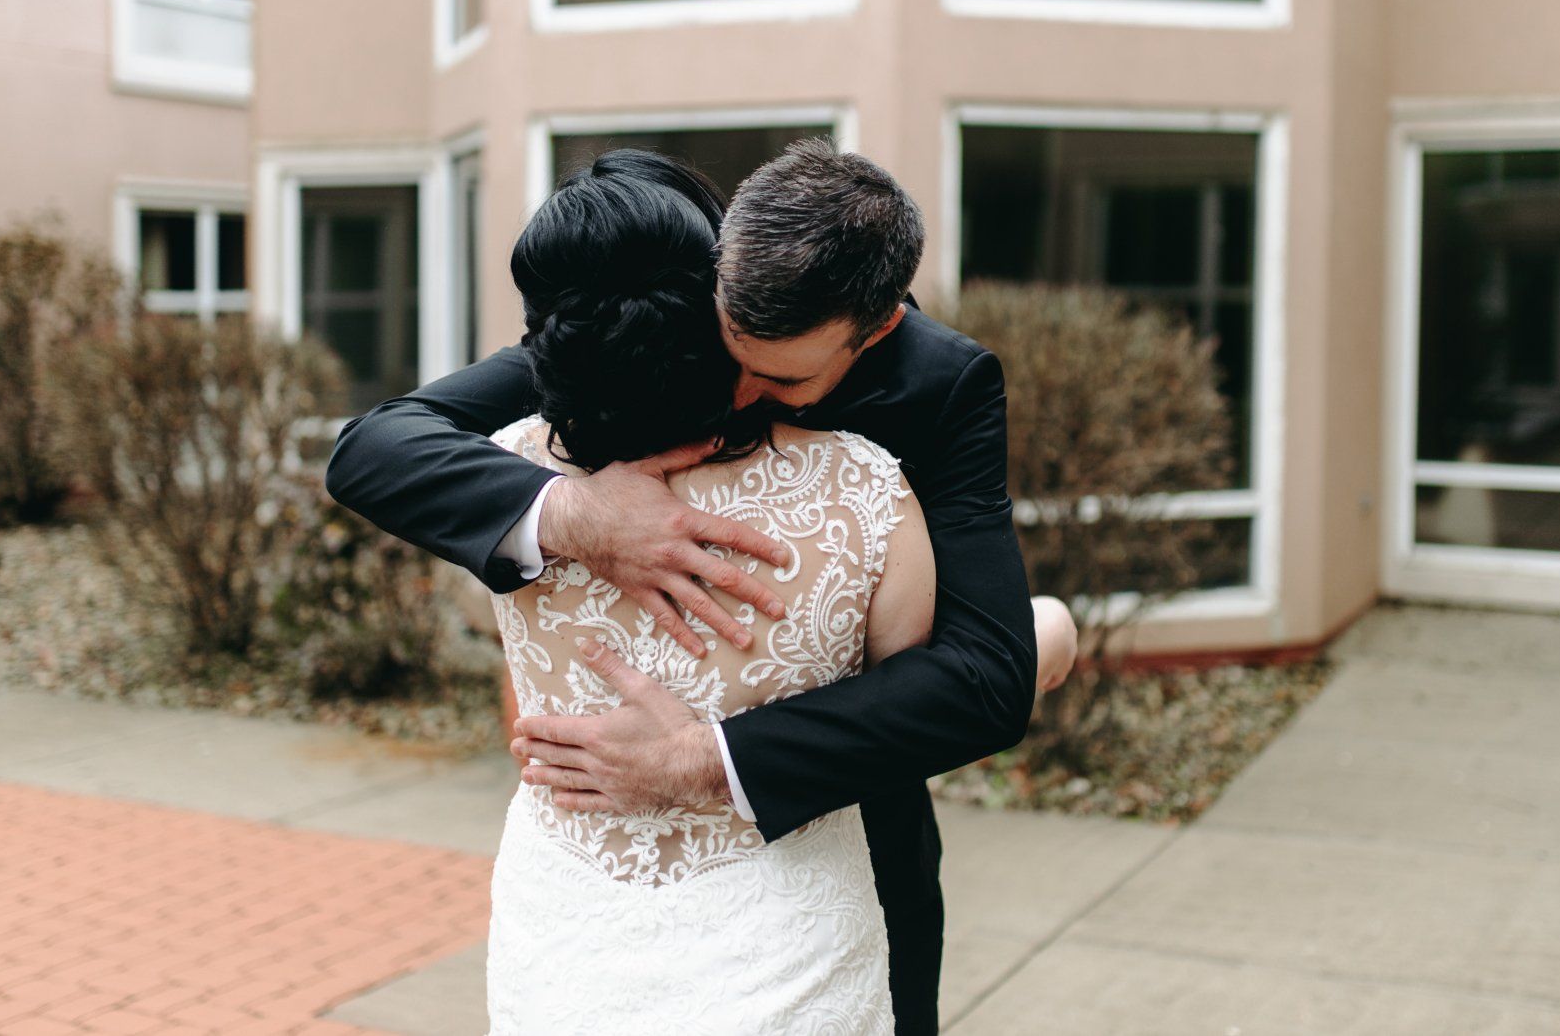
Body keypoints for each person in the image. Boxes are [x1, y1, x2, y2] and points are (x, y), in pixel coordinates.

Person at [324, 140, 1038, 1033]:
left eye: (776, 376)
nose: (728, 389)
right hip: (592, 898)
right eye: (723, 345)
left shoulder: (941, 385)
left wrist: (708, 758)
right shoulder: (678, 303)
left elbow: (987, 676)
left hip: (836, 849)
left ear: (877, 329)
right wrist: (577, 515)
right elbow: (376, 446)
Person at [480, 151, 935, 1031]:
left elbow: (513, 672)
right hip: (783, 940)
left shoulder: (498, 477)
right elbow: (903, 705)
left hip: (564, 928)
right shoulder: (867, 491)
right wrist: (1049, 637)